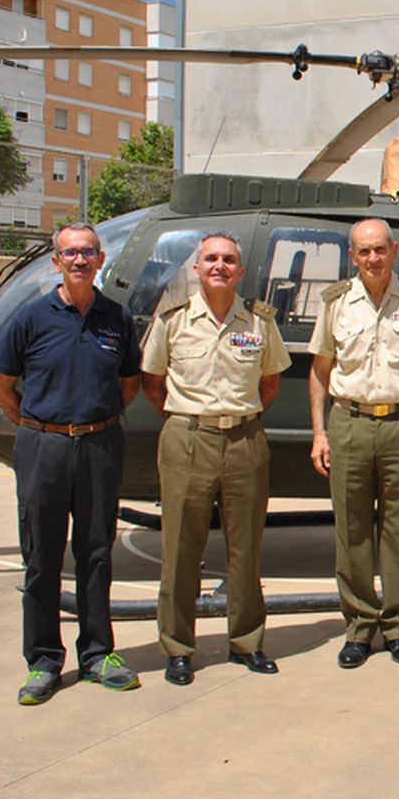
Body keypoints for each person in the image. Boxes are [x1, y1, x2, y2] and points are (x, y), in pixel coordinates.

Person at [0, 222, 142, 705]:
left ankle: (97, 654)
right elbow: (0, 387)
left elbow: (128, 383)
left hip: (99, 446)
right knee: (42, 557)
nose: (79, 260)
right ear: (57, 261)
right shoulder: (31, 318)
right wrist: (39, 427)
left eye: (88, 252)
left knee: (96, 553)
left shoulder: (117, 318)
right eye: (70, 253)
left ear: (100, 261)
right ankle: (43, 661)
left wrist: (93, 421)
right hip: (44, 448)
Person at [139, 232, 290, 686]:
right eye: (211, 259)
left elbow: (270, 382)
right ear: (197, 268)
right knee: (180, 549)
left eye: (228, 260)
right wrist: (187, 419)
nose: (219, 266)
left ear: (240, 271)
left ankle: (247, 642)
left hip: (244, 439)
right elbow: (152, 380)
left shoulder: (259, 321)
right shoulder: (173, 319)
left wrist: (239, 417)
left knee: (246, 547)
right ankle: (178, 648)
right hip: (188, 438)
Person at [308, 218, 399, 668]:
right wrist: (320, 432)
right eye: (364, 251)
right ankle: (360, 628)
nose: (373, 258)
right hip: (350, 423)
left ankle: (396, 627)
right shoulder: (336, 302)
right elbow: (320, 370)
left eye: (380, 249)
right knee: (353, 531)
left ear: (394, 250)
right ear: (353, 256)